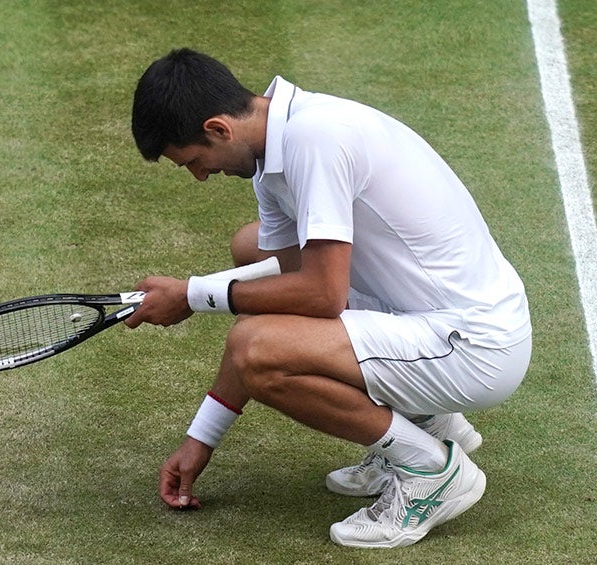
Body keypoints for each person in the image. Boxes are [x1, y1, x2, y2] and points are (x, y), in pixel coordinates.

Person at [125, 48, 532, 549]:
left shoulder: (315, 140)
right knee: (249, 249)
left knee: (259, 349)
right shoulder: (278, 140)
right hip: (433, 313)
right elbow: (286, 282)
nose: (200, 176)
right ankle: (429, 420)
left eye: (193, 161)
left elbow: (320, 295)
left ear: (217, 129)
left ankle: (431, 471)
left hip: (475, 345)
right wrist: (200, 438)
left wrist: (192, 295)